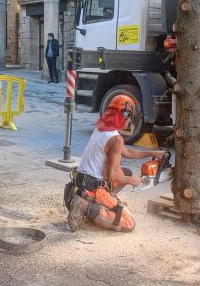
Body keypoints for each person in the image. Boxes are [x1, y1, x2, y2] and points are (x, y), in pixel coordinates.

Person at [66, 95, 165, 232]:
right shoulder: (116, 139)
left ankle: (92, 206)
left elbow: (127, 152)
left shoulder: (102, 128)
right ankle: (85, 206)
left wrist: (151, 153)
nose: (130, 121)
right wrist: (132, 180)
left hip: (80, 184)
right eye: (130, 117)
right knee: (128, 223)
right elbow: (111, 176)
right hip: (92, 188)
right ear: (125, 115)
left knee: (126, 172)